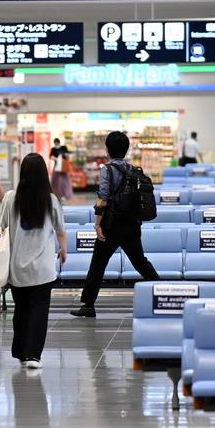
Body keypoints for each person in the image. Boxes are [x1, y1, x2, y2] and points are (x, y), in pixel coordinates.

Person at [71, 131, 159, 318]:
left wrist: (97, 224)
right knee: (140, 262)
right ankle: (164, 289)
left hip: (112, 224)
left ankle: (88, 305)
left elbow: (103, 198)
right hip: (132, 223)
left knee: (98, 263)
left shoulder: (107, 169)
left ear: (108, 149)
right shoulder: (132, 169)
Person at [0, 153, 67, 369]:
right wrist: (64, 250)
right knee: (39, 311)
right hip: (43, 268)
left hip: (17, 267)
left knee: (22, 309)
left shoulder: (10, 198)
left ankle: (20, 351)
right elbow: (60, 230)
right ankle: (33, 355)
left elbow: (1, 228)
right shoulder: (50, 200)